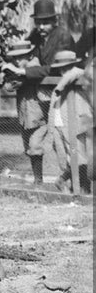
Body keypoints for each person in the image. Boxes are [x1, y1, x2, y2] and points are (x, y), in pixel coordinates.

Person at [19, 0, 75, 184]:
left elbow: (54, 68)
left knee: (64, 140)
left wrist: (25, 71)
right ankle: (38, 181)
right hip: (39, 95)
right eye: (38, 22)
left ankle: (75, 182)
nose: (41, 26)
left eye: (45, 22)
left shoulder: (63, 36)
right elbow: (24, 53)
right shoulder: (35, 36)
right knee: (33, 139)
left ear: (54, 21)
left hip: (62, 96)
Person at [0, 39, 43, 184]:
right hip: (26, 114)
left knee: (36, 147)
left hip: (40, 114)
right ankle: (40, 181)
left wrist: (12, 73)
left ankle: (40, 181)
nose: (18, 60)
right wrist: (3, 73)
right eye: (15, 57)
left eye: (21, 56)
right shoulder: (15, 68)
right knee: (30, 148)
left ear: (30, 55)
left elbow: (12, 85)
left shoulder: (34, 65)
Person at [48, 50, 93, 193]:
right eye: (62, 68)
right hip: (62, 121)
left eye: (66, 67)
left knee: (81, 157)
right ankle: (73, 186)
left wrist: (61, 85)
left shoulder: (78, 73)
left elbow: (75, 72)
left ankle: (73, 185)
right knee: (70, 157)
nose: (64, 70)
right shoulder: (65, 77)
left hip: (77, 121)